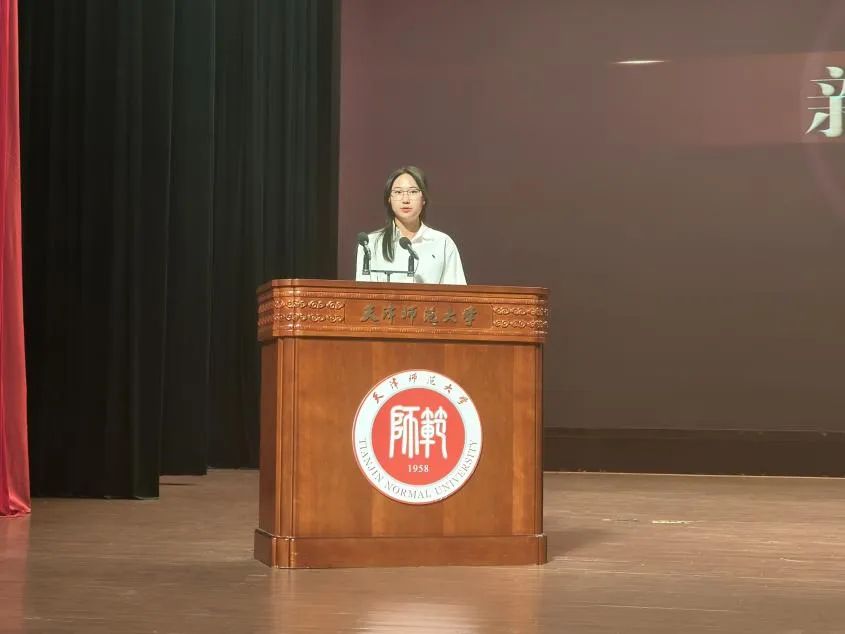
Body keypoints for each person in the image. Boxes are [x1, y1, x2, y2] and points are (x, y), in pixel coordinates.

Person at [355, 165, 467, 285]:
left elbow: (456, 293)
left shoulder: (442, 243)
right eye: (398, 192)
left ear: (423, 198)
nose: (405, 200)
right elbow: (362, 293)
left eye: (413, 192)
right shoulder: (369, 244)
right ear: (389, 199)